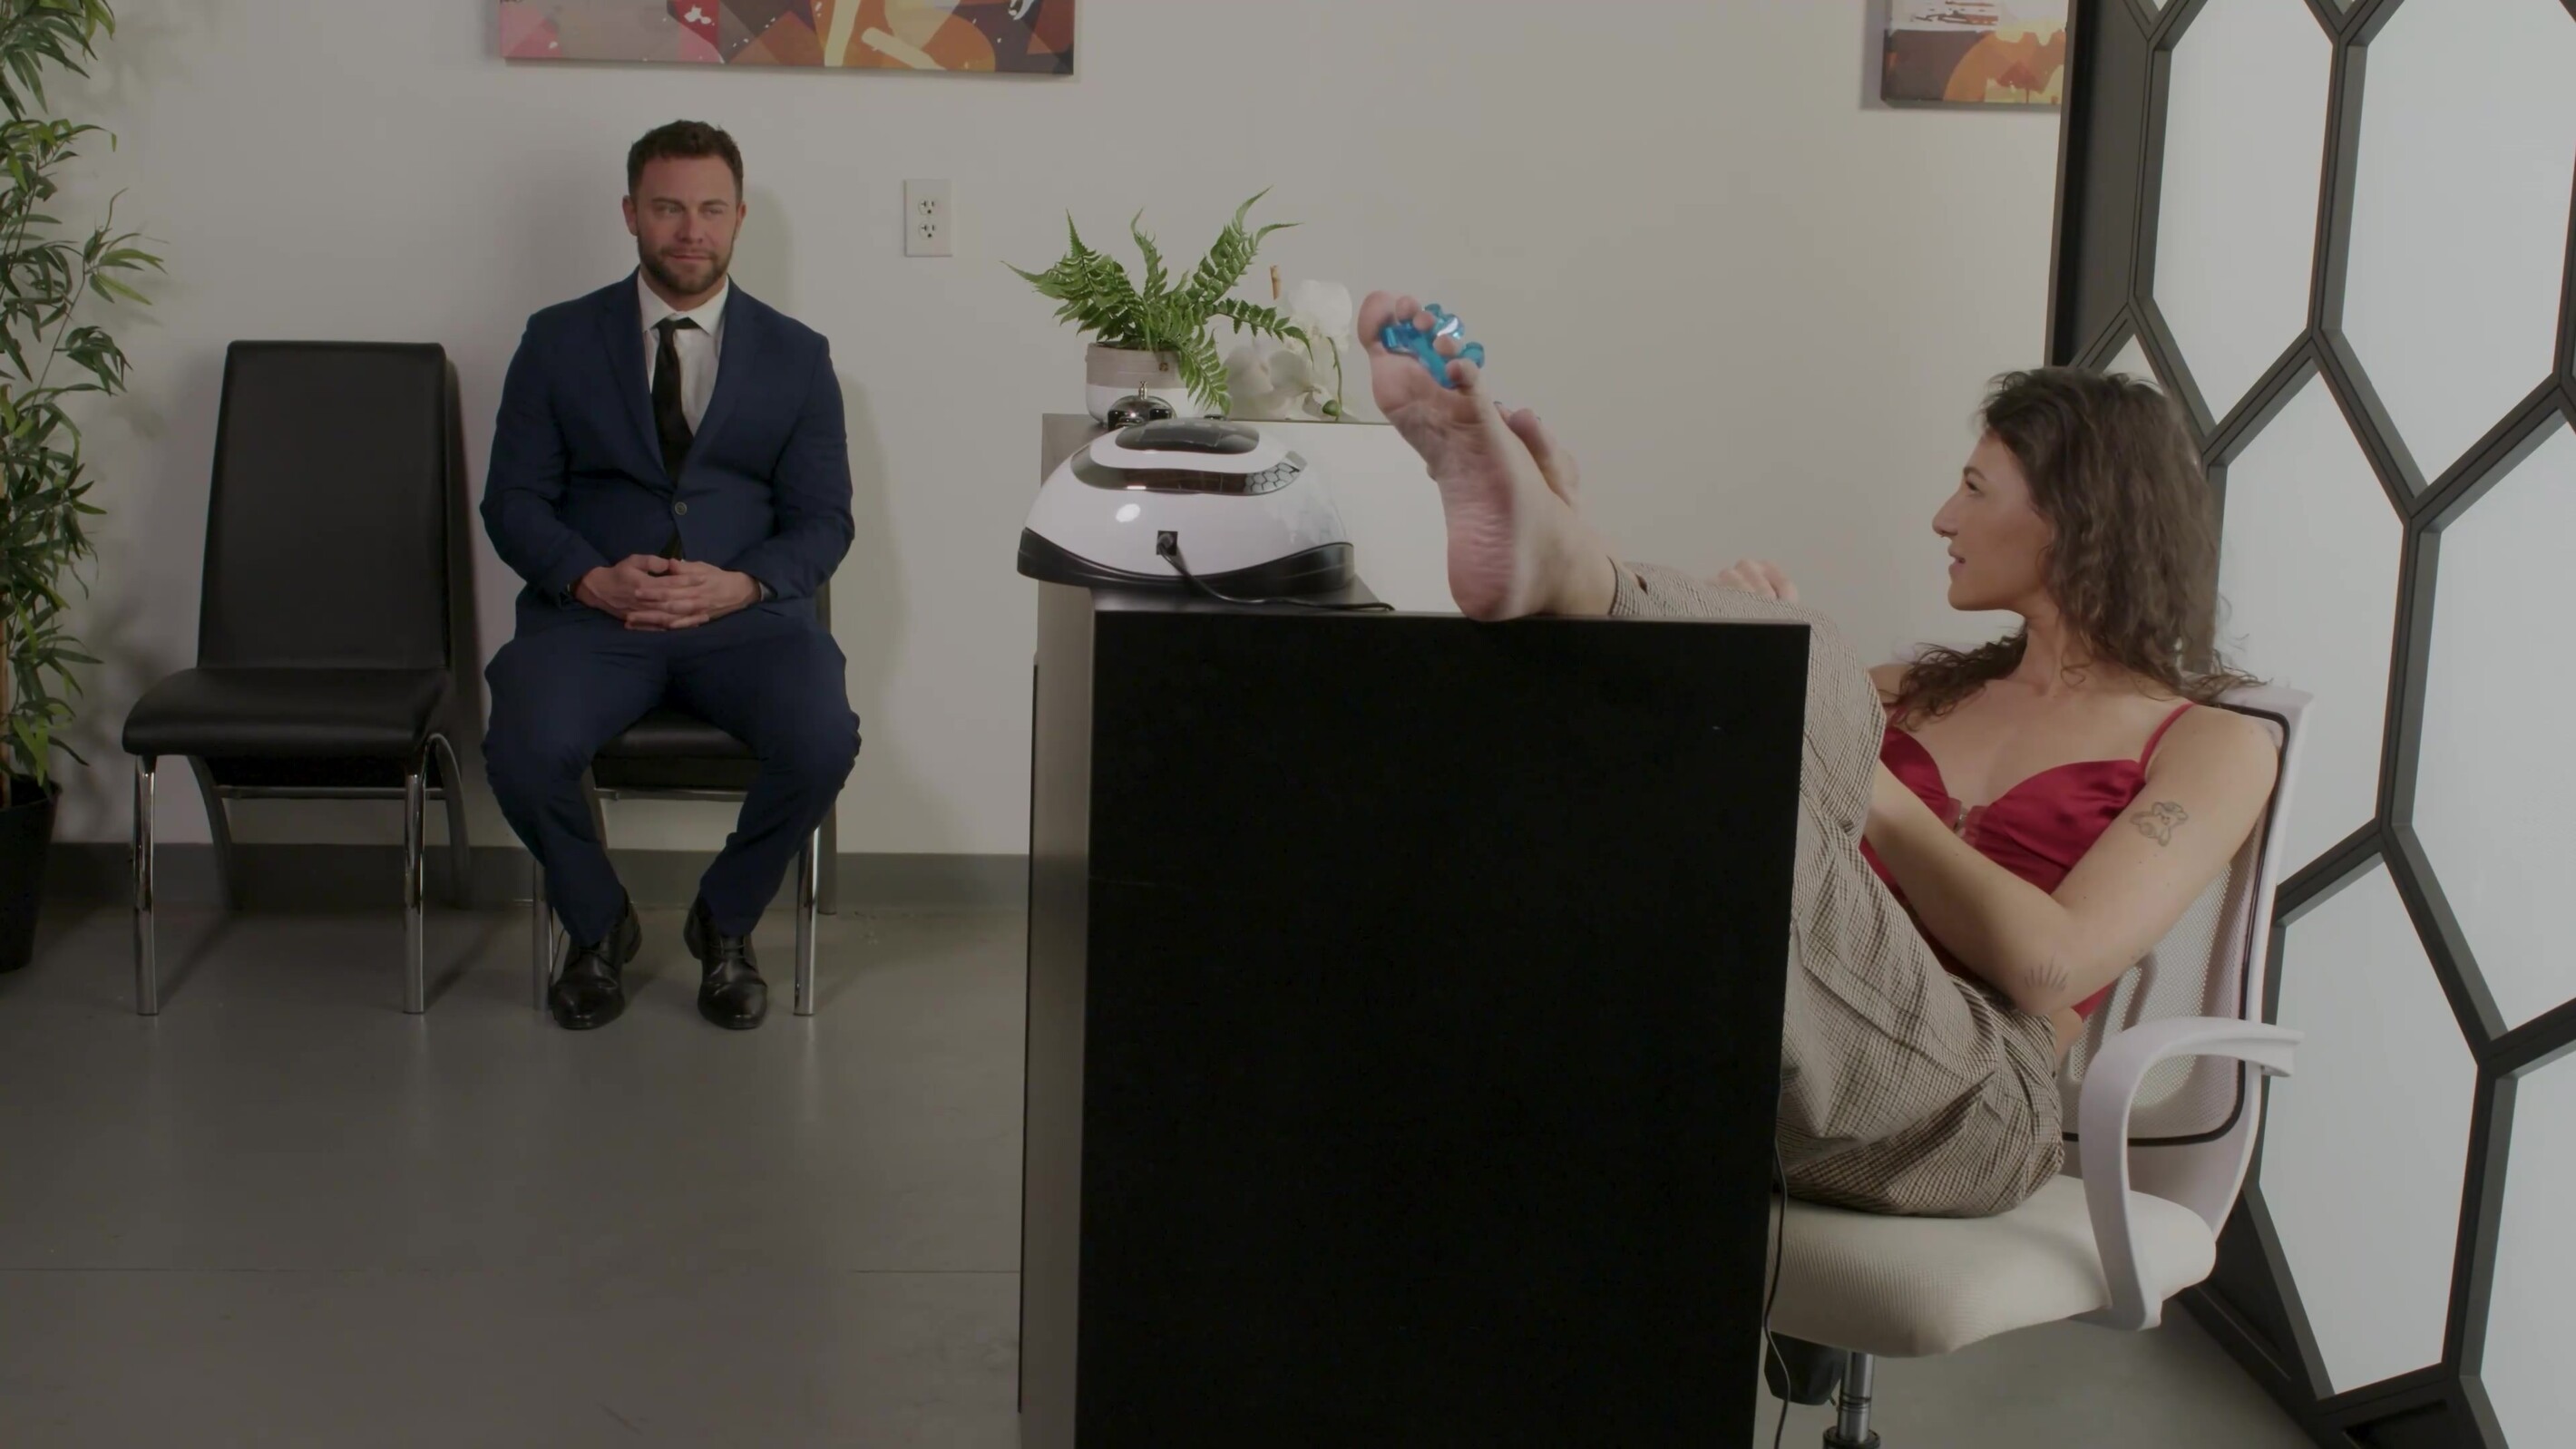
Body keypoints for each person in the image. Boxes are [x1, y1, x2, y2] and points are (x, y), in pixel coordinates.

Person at [1358, 291, 2278, 1220]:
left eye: (1974, 488)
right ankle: (1565, 563)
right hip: (1764, 1055)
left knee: (1792, 664)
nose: (1942, 518)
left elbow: (2050, 968)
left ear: (2075, 519)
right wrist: (1743, 664)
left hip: (1973, 1110)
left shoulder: (2214, 742)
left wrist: (1852, 768)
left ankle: (1571, 567)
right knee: (1751, 680)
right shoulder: (1913, 691)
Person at [483, 122, 859, 1033]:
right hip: (593, 621)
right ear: (630, 214)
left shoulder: (798, 355)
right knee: (521, 747)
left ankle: (723, 921)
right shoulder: (555, 340)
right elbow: (512, 501)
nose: (691, 230)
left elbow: (825, 520)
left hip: (744, 624)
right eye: (668, 208)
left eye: (710, 209)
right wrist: (588, 578)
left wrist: (744, 585)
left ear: (738, 218)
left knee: (822, 738)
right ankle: (596, 923)